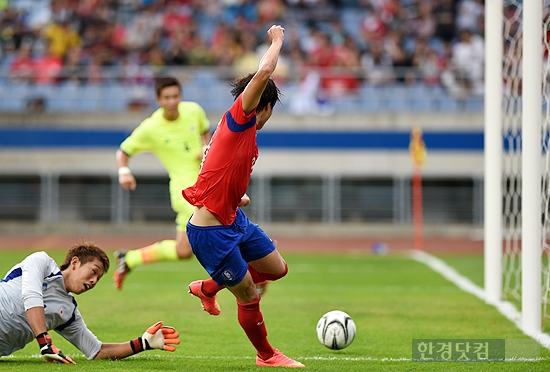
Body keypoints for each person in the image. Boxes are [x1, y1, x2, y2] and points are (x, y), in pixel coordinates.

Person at [183, 25, 305, 369]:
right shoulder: (240, 117)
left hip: (233, 218)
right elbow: (265, 72)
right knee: (249, 295)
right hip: (211, 232)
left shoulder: (241, 133)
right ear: (264, 106)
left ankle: (209, 287)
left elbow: (216, 171)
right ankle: (266, 356)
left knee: (276, 269)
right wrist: (278, 39)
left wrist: (239, 196)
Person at [0, 242, 180, 362]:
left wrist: (142, 343)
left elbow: (96, 350)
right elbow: (31, 295)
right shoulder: (42, 262)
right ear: (75, 262)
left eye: (99, 278)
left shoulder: (68, 312)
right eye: (93, 271)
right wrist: (45, 343)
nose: (94, 281)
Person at [114, 76, 211, 290]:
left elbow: (205, 133)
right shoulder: (151, 127)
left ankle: (130, 259)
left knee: (183, 251)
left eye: (176, 96)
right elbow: (124, 151)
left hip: (206, 183)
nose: (172, 101)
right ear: (158, 99)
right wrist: (124, 172)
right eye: (167, 97)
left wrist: (206, 148)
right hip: (184, 191)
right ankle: (251, 274)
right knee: (218, 225)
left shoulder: (194, 111)